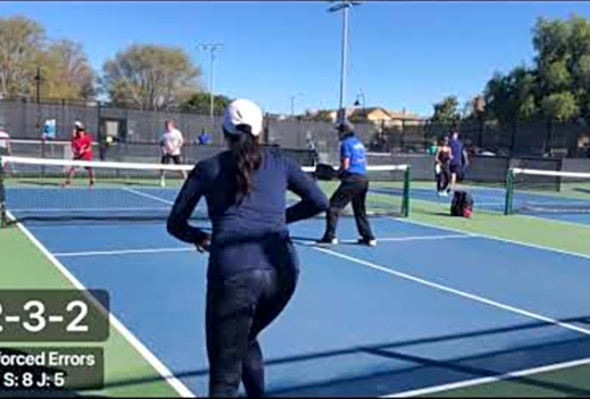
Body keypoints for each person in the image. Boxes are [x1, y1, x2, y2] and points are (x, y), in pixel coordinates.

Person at [167, 99, 328, 397]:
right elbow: (320, 202)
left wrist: (199, 237)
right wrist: (280, 219)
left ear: (224, 130)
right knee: (246, 337)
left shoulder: (208, 168)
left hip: (233, 275)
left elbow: (175, 223)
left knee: (224, 379)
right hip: (284, 273)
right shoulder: (281, 162)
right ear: (260, 130)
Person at [318, 119, 376, 247]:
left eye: (339, 131)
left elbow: (346, 165)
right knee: (359, 209)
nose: (338, 134)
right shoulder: (359, 144)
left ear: (344, 132)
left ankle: (330, 236)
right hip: (363, 179)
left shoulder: (345, 144)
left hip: (353, 180)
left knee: (333, 207)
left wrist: (336, 174)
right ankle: (369, 237)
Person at [62, 121, 95, 187]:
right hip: (78, 156)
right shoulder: (74, 139)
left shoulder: (87, 138)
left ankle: (92, 182)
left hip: (86, 156)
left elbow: (89, 148)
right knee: (73, 169)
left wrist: (84, 150)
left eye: (81, 130)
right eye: (79, 130)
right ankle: (67, 182)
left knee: (90, 169)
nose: (80, 132)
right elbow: (73, 148)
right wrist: (77, 153)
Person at [159, 120, 187, 187]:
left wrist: (175, 148)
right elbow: (161, 143)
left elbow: (181, 141)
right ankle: (162, 180)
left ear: (172, 126)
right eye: (166, 126)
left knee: (180, 167)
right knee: (163, 167)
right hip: (167, 153)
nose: (167, 127)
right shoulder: (164, 135)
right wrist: (163, 150)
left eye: (168, 126)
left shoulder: (177, 132)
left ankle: (186, 180)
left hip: (176, 153)